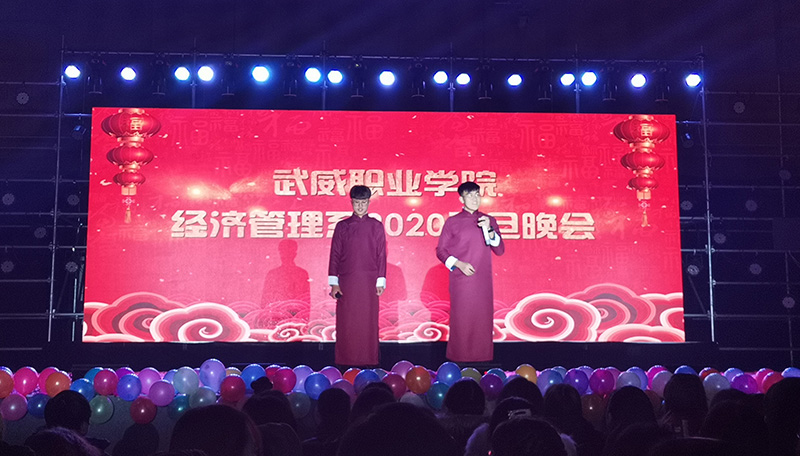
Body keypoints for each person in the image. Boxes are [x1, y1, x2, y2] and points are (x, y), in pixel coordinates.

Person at [436, 181, 504, 362]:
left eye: (477, 195)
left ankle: (482, 359)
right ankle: (459, 359)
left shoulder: (489, 220)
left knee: (482, 320)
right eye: (470, 195)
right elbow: (440, 251)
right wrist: (459, 264)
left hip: (482, 280)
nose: (475, 199)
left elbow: (500, 250)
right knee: (463, 320)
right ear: (461, 199)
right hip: (462, 279)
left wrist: (489, 229)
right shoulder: (453, 222)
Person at [328, 185, 387, 367]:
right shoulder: (342, 226)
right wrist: (334, 282)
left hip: (369, 282)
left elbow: (381, 255)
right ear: (351, 203)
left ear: (368, 203)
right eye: (357, 203)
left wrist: (380, 280)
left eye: (364, 202)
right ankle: (345, 361)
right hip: (347, 282)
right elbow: (335, 255)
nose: (360, 206)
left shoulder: (376, 226)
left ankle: (368, 360)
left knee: (368, 321)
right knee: (347, 322)